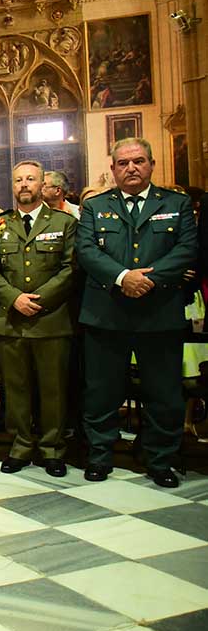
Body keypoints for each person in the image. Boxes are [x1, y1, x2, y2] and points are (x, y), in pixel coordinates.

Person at [78, 137, 198, 488]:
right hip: (107, 313)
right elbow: (86, 250)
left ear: (151, 164)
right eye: (123, 163)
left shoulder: (175, 203)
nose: (131, 168)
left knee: (163, 393)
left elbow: (186, 249)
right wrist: (122, 278)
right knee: (101, 392)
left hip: (158, 312)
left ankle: (160, 460)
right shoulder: (95, 206)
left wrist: (147, 280)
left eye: (139, 161)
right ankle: (100, 455)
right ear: (113, 169)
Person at [0, 160, 78, 478]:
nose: (24, 184)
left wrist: (39, 300)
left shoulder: (64, 223)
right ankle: (21, 446)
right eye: (18, 180)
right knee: (15, 388)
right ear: (12, 186)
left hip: (51, 319)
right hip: (10, 319)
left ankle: (52, 449)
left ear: (42, 184)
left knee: (53, 389)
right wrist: (14, 298)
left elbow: (70, 268)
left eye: (30, 179)